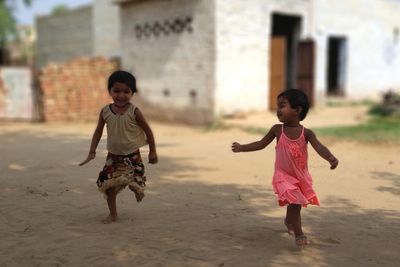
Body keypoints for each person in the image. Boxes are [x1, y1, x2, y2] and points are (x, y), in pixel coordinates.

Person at [231, 89, 338, 246]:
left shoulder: (307, 133)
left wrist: (330, 158)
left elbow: (320, 147)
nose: (278, 110)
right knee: (294, 203)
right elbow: (261, 144)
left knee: (294, 204)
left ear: (297, 110)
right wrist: (242, 147)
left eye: (282, 106)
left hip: (300, 176)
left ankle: (289, 221)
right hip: (283, 175)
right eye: (277, 106)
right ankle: (299, 234)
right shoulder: (277, 130)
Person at [79, 70, 158, 224]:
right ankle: (113, 214)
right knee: (108, 187)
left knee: (134, 181)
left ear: (132, 93)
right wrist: (92, 151)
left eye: (126, 91)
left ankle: (136, 188)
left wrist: (153, 151)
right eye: (116, 91)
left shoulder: (134, 111)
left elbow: (148, 131)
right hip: (113, 156)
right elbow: (98, 132)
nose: (121, 95)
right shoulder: (105, 112)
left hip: (132, 155)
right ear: (110, 91)